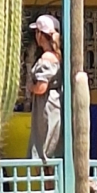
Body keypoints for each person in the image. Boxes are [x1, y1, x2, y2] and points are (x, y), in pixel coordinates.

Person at [28, 14, 63, 161]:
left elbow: (42, 87)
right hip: (54, 103)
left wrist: (31, 87)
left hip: (46, 106)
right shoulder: (57, 56)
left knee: (43, 147)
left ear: (41, 35)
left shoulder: (46, 58)